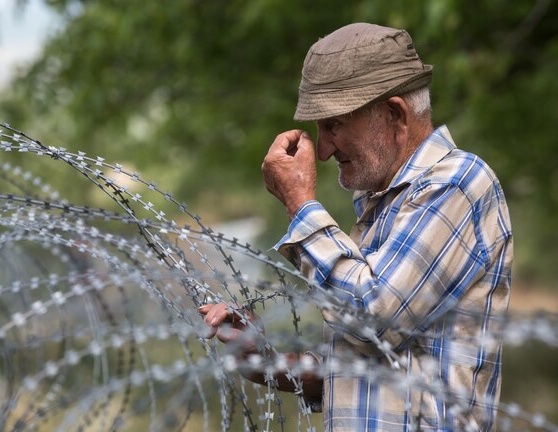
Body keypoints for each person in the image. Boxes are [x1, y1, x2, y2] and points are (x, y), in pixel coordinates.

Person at [201, 22, 512, 431]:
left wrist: (300, 205)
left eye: (333, 125)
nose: (324, 150)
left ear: (395, 114)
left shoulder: (457, 184)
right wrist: (263, 358)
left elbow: (375, 320)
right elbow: (368, 369)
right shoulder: (381, 204)